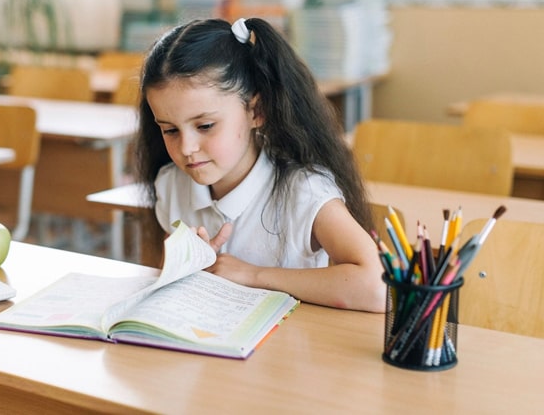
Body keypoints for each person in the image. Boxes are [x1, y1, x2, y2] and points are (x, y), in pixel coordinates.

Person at [135, 17, 385, 313]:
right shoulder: (172, 184)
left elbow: (378, 287)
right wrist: (186, 265)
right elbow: (167, 279)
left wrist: (252, 275)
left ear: (257, 111)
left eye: (205, 126)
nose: (186, 148)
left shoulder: (304, 192)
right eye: (170, 130)